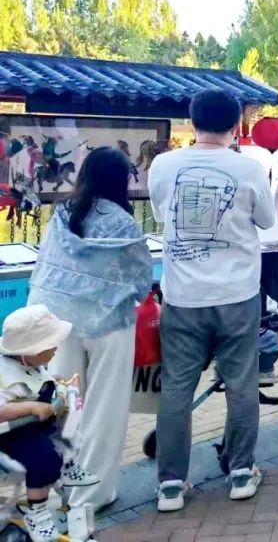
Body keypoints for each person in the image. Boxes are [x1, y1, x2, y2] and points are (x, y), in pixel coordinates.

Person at [148, 89, 274, 511]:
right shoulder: (249, 168)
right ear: (236, 124)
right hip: (238, 295)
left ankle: (170, 484)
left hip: (183, 297)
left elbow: (162, 215)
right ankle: (241, 472)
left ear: (192, 121)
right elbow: (267, 220)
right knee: (241, 384)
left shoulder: (164, 165)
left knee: (177, 389)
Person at [27, 147, 153, 511]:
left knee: (63, 406)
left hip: (56, 323)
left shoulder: (62, 213)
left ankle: (57, 487)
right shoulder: (123, 222)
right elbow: (141, 281)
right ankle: (91, 495)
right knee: (104, 409)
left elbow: (46, 266)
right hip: (109, 324)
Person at [0, 306, 100, 542]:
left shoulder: (28, 363)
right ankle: (37, 513)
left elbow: (38, 380)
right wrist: (30, 407)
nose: (56, 349)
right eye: (50, 346)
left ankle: (66, 468)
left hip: (35, 427)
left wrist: (59, 384)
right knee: (43, 460)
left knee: (70, 435)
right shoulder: (5, 375)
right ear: (30, 351)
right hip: (11, 435)